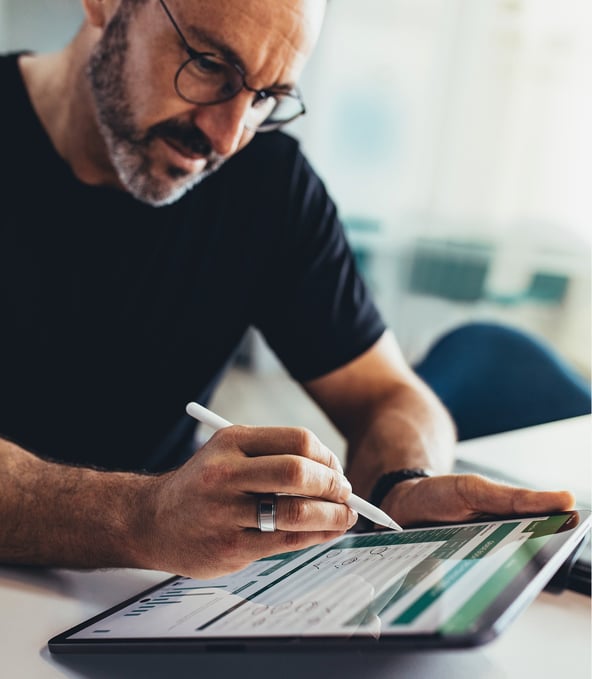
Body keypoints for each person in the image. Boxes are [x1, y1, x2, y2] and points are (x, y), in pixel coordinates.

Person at [0, 0, 574, 580]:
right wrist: (141, 518)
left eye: (266, 97)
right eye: (207, 63)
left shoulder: (267, 182)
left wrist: (403, 483)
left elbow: (389, 397)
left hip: (136, 603)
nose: (226, 137)